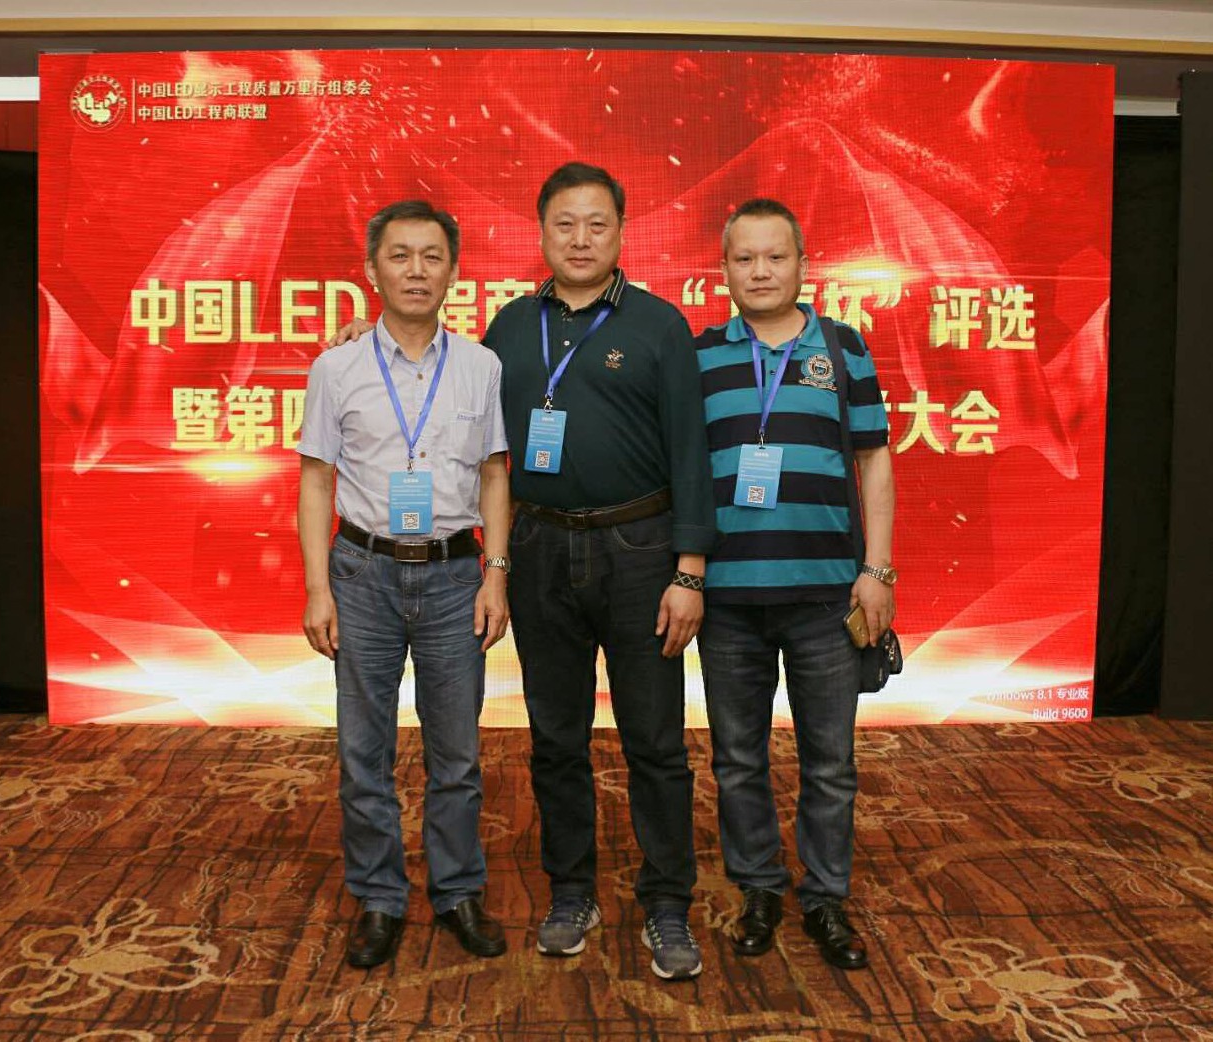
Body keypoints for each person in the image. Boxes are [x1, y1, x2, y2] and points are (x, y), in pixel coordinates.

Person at [329, 163, 718, 981]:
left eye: (597, 224)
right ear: (540, 232)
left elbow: (692, 449)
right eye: (564, 224)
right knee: (556, 737)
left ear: (621, 233)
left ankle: (667, 902)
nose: (580, 239)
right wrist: (359, 347)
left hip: (639, 551)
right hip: (539, 552)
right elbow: (444, 395)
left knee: (655, 739)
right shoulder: (509, 328)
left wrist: (689, 570)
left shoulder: (660, 325)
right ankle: (571, 893)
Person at [298, 199, 512, 970]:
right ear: (371, 270)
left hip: (456, 575)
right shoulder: (336, 367)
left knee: (457, 753)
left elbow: (495, 475)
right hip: (363, 574)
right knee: (365, 750)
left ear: (453, 271)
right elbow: (316, 480)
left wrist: (496, 574)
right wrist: (317, 588)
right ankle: (380, 897)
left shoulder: (482, 366)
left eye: (432, 256)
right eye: (400, 255)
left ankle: (457, 892)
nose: (416, 270)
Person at [693, 198, 895, 970]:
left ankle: (825, 898)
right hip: (727, 601)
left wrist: (876, 571)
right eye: (744, 258)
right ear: (724, 268)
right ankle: (758, 889)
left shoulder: (844, 349)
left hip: (825, 597)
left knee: (830, 761)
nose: (760, 271)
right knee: (736, 758)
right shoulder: (700, 355)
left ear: (803, 264)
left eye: (775, 256)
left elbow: (874, 459)